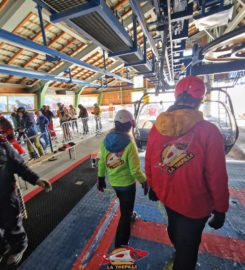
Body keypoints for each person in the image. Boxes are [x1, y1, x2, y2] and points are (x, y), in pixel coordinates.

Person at [145, 76, 229, 270]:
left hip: (168, 197)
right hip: (195, 205)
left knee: (174, 230)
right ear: (200, 100)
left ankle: (179, 247)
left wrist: (153, 186)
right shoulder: (209, 131)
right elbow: (216, 175)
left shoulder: (157, 128)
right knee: (187, 253)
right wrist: (220, 208)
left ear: (176, 96)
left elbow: (149, 161)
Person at [97, 109, 148, 248]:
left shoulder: (106, 140)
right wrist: (144, 181)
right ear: (130, 125)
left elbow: (102, 162)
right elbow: (135, 170)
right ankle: (120, 246)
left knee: (124, 206)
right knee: (124, 215)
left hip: (114, 182)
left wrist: (101, 178)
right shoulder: (130, 144)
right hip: (127, 185)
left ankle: (129, 214)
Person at [0, 139, 51, 266]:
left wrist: (36, 180)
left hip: (6, 197)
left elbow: (20, 167)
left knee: (12, 224)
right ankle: (3, 247)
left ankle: (20, 246)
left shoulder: (3, 147)